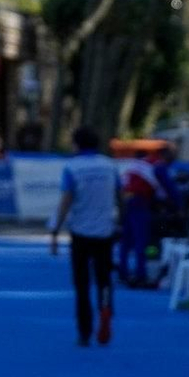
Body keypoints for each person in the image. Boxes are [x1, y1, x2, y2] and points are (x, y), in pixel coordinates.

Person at [50, 126, 119, 346]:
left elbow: (65, 202)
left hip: (81, 232)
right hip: (105, 231)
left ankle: (84, 331)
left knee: (82, 284)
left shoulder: (72, 167)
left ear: (77, 144)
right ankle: (106, 308)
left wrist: (54, 231)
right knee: (104, 279)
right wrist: (121, 222)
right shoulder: (110, 166)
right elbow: (121, 196)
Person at [118, 148, 165, 288]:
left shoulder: (131, 167)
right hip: (141, 202)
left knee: (126, 241)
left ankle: (123, 272)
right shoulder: (154, 165)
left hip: (128, 202)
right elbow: (165, 189)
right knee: (140, 241)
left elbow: (122, 187)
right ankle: (140, 274)